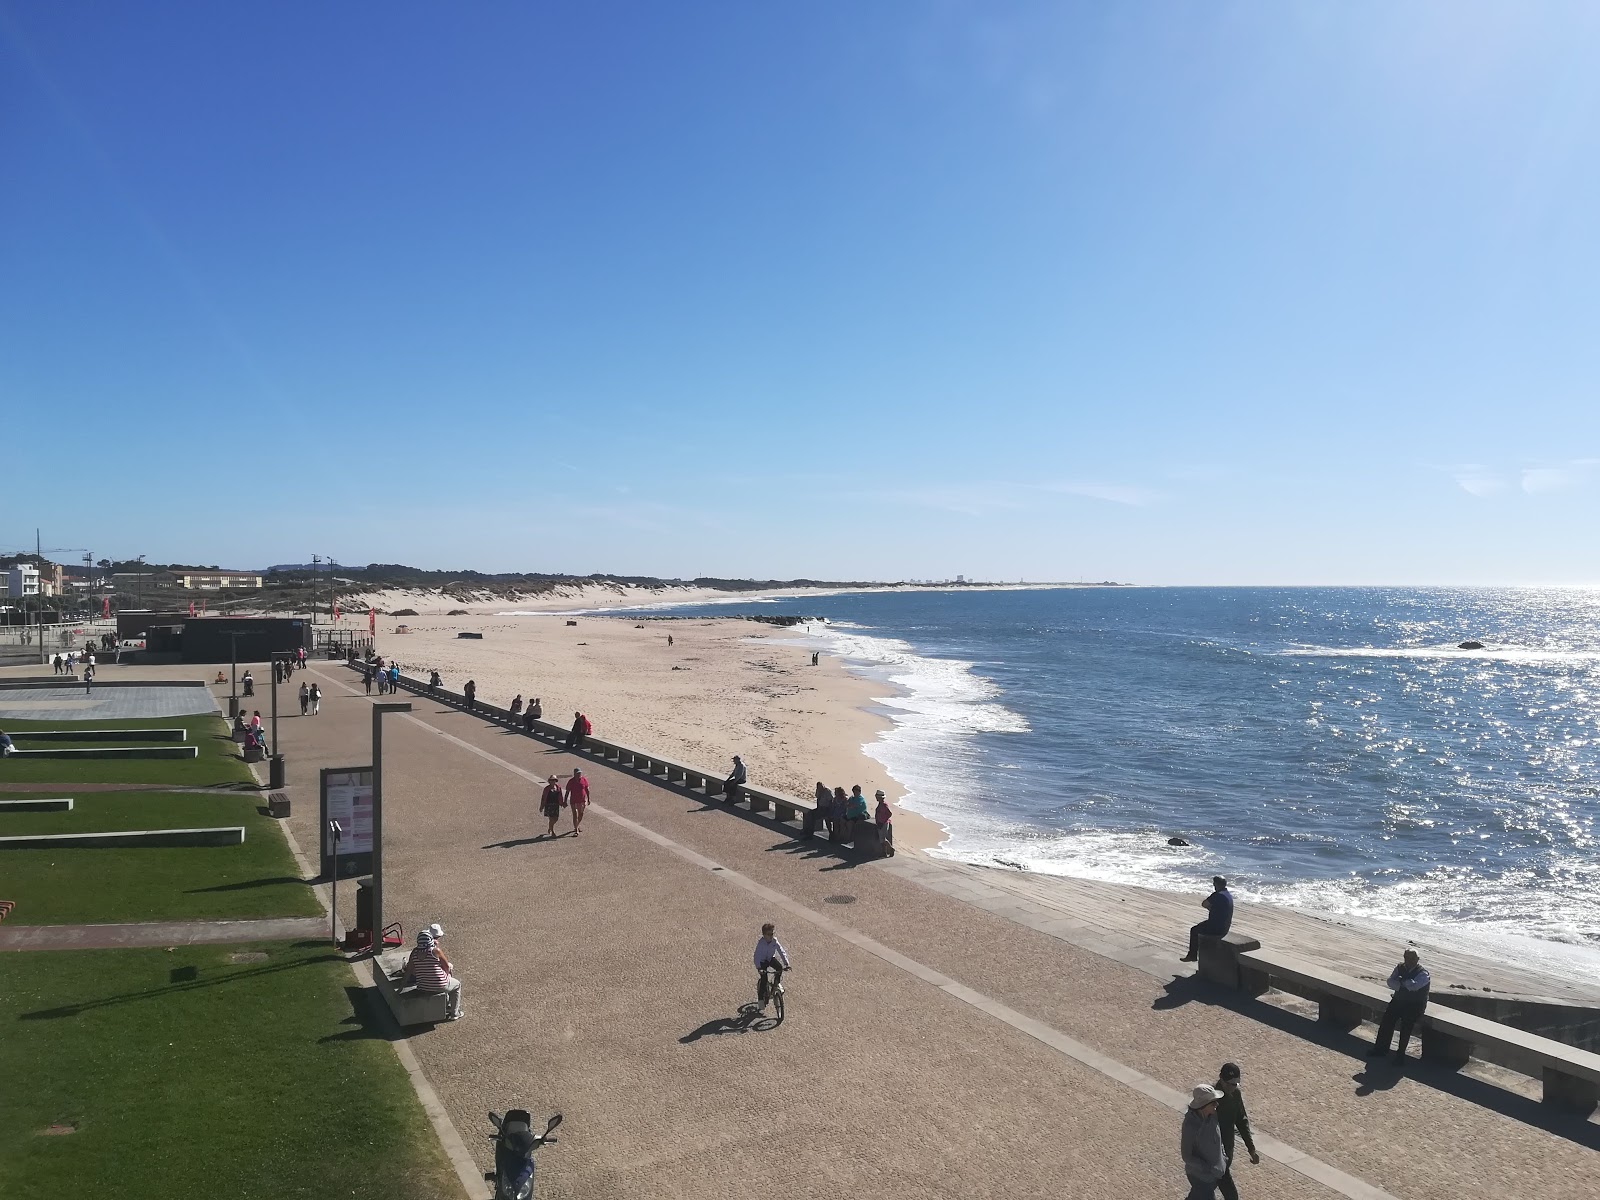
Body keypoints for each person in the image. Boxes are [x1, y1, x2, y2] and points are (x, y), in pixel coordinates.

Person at [1369, 948, 1431, 1063]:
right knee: (1386, 1021)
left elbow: (1414, 987)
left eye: (1412, 958)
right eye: (1407, 957)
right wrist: (1404, 983)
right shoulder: (1399, 968)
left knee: (1406, 1026)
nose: (1409, 960)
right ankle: (1380, 1049)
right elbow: (1390, 982)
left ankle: (1400, 1055)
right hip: (1399, 1001)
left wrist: (1401, 983)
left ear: (1417, 959)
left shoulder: (1423, 973)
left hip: (1415, 1005)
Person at [1181, 1084, 1236, 1200]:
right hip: (1201, 1176)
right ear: (1203, 1106)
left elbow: (1218, 1137)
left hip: (1217, 1171)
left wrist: (1224, 1157)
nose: (1217, 1105)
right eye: (1213, 1103)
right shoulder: (1191, 1126)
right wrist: (1207, 1168)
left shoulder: (1212, 1115)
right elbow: (1186, 1156)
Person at [401, 926, 463, 1021]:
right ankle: (454, 1013)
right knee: (457, 985)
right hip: (440, 985)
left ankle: (446, 1005)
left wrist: (402, 986)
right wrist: (446, 975)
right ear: (430, 940)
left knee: (447, 981)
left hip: (422, 986)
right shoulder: (435, 951)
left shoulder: (414, 952)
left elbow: (409, 971)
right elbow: (446, 966)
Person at [1215, 1063, 1259, 1170]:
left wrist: (1251, 1149)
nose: (1232, 1087)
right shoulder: (1210, 1097)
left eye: (1236, 1084)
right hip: (1211, 1150)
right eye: (1229, 1084)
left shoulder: (1236, 1095)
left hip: (1227, 1149)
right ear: (1221, 1079)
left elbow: (1242, 1122)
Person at [1181, 877, 1234, 962]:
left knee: (1194, 930)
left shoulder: (1217, 895)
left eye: (1214, 884)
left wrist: (1211, 908)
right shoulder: (1228, 894)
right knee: (1201, 926)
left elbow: (1204, 904)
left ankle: (1192, 955)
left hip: (1216, 927)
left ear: (1216, 884)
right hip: (1225, 927)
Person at [753, 922, 790, 1013]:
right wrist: (759, 967)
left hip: (770, 959)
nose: (771, 936)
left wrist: (786, 963)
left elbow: (781, 951)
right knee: (764, 979)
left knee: (779, 968)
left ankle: (776, 984)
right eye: (769, 934)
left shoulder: (774, 941)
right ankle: (761, 999)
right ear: (764, 935)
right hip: (762, 961)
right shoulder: (761, 943)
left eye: (772, 934)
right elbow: (756, 955)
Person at [565, 767, 590, 834]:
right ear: (574, 774)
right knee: (575, 814)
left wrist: (589, 798)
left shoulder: (583, 779)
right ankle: (576, 829)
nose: (579, 774)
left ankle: (577, 825)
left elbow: (587, 789)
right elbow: (567, 791)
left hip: (582, 800)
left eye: (580, 773)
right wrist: (565, 801)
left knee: (581, 814)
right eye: (577, 773)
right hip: (574, 800)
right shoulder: (571, 781)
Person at [874, 790, 895, 856]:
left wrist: (883, 821)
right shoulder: (880, 804)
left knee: (883, 839)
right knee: (881, 839)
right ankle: (884, 852)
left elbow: (889, 814)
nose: (876, 798)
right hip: (880, 823)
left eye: (877, 797)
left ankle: (891, 849)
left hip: (883, 823)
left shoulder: (884, 805)